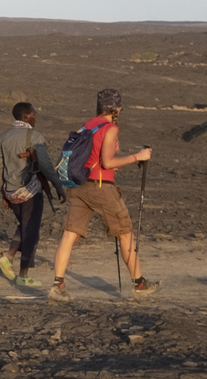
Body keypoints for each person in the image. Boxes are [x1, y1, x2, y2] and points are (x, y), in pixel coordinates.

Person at [50, 88, 156, 303]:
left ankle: (57, 285)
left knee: (70, 234)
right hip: (101, 187)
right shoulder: (110, 128)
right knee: (125, 232)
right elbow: (107, 162)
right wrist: (138, 156)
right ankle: (140, 284)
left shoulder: (86, 125)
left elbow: (93, 158)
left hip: (78, 185)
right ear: (117, 108)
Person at [0, 101, 67, 289]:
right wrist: (58, 186)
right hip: (30, 191)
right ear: (26, 116)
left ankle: (8, 257)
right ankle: (23, 275)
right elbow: (46, 166)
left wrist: (3, 192)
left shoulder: (3, 137)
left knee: (24, 225)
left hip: (10, 191)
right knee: (31, 233)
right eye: (34, 114)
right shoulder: (34, 136)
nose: (36, 118)